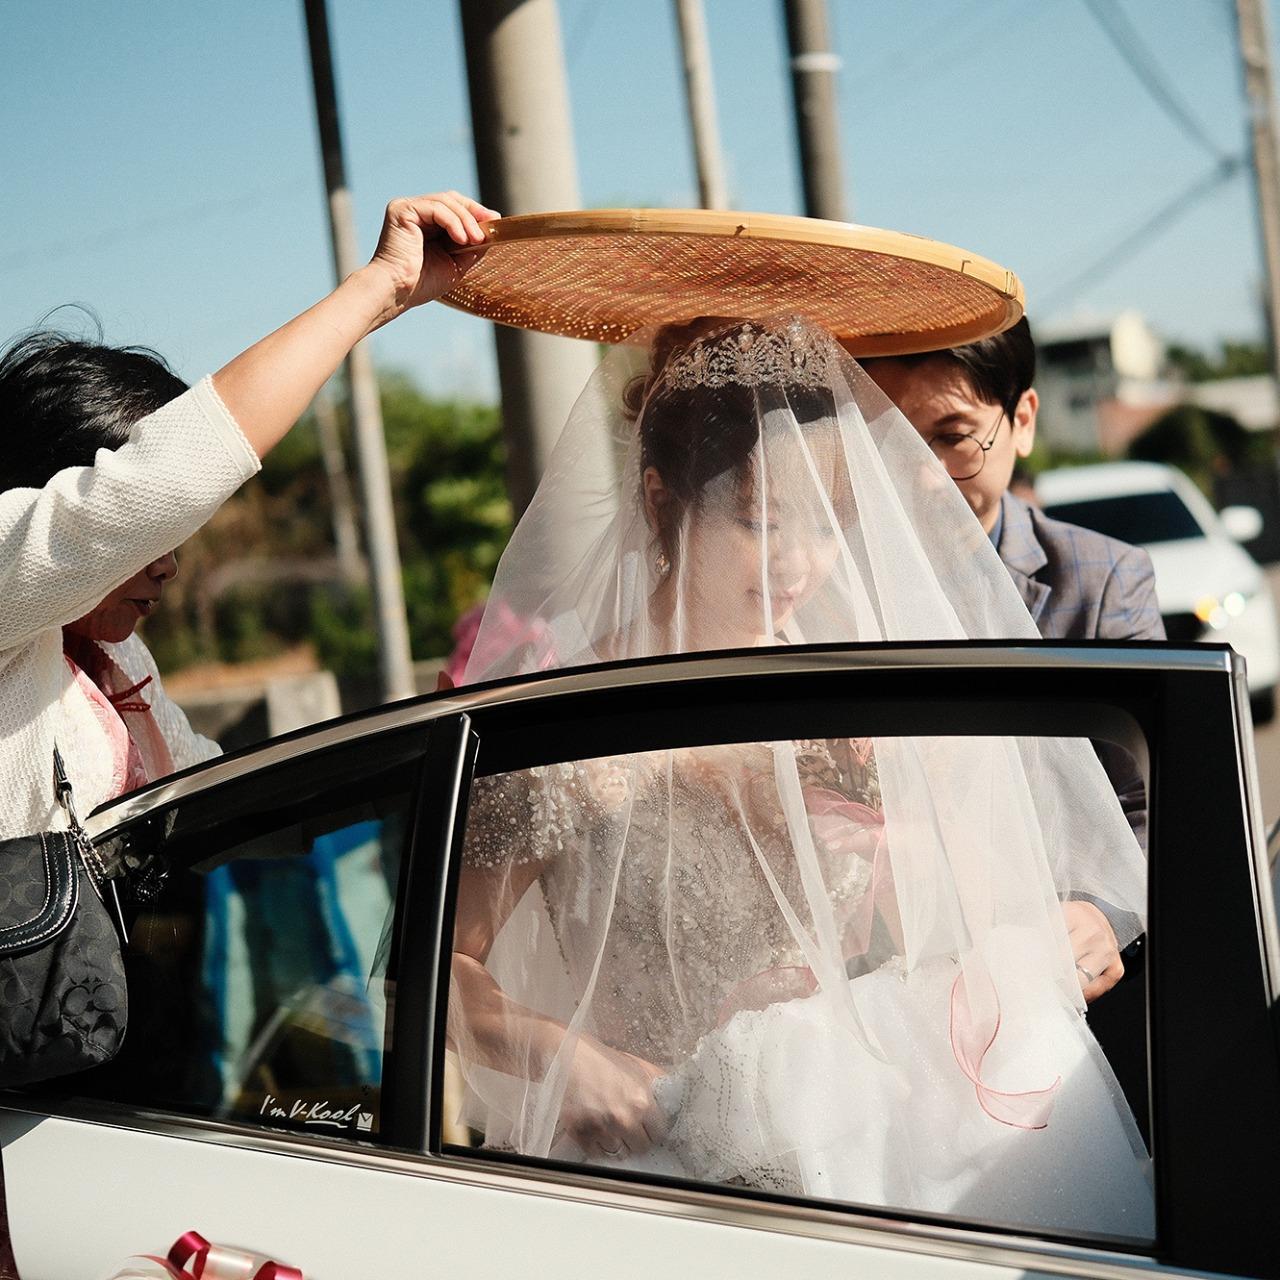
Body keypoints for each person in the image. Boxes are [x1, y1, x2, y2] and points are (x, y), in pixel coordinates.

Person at [448, 316, 1154, 1238]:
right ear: (663, 503)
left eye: (825, 528)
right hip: (668, 1160)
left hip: (871, 1129)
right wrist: (555, 1052)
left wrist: (1008, 911)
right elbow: (439, 971)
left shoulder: (855, 699)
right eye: (760, 521)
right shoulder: (575, 729)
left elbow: (982, 899)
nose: (800, 564)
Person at [0, 190, 497, 841]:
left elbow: (227, 802)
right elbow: (174, 475)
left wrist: (423, 745)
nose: (168, 565)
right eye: (140, 537)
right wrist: (383, 285)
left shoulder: (115, 663)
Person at [861, 319, 1164, 996]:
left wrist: (1105, 914)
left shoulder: (1101, 581)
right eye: (889, 442)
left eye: (952, 436)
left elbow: (1152, 803)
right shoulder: (820, 587)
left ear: (1021, 421)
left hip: (1055, 978)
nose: (924, 478)